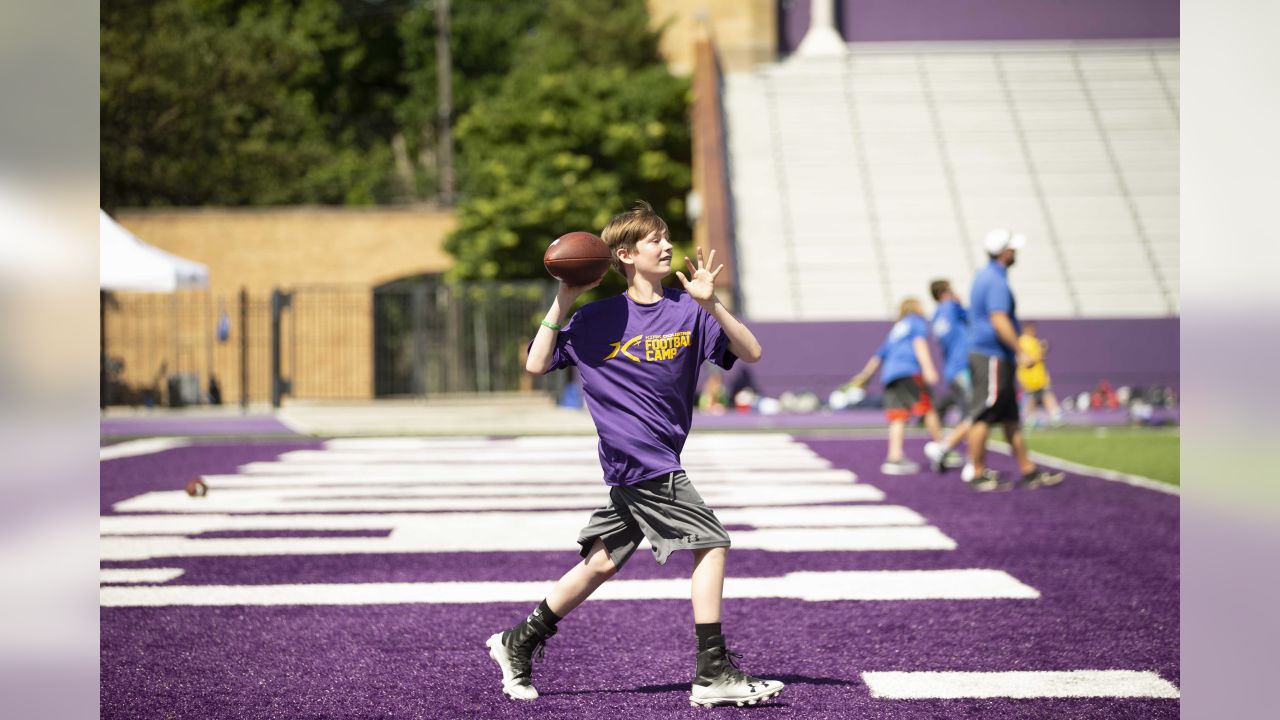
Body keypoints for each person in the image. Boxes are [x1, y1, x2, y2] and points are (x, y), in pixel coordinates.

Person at [486, 201, 783, 708]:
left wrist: (712, 304)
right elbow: (536, 364)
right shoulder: (594, 317)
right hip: (642, 460)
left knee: (601, 564)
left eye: (666, 237)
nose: (667, 245)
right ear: (623, 254)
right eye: (653, 240)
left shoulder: (688, 309)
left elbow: (751, 353)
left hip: (652, 458)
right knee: (711, 542)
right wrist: (563, 298)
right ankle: (713, 672)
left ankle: (519, 641)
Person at [964, 229, 1065, 491]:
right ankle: (977, 473)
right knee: (983, 414)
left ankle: (1028, 470)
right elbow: (999, 319)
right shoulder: (995, 280)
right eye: (1013, 249)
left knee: (1010, 418)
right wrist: (1020, 350)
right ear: (1005, 252)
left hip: (994, 355)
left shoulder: (985, 276)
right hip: (991, 355)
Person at [847, 298, 947, 475]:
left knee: (897, 415)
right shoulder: (916, 322)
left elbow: (879, 354)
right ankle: (943, 448)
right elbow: (919, 345)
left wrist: (865, 375)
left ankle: (894, 457)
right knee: (928, 408)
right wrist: (929, 368)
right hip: (908, 371)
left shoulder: (896, 329)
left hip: (891, 375)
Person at [923, 279, 973, 473]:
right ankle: (945, 448)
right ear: (945, 293)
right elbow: (973, 317)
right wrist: (958, 302)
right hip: (964, 367)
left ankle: (969, 458)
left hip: (952, 369)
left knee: (969, 414)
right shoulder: (951, 306)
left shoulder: (936, 316)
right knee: (976, 415)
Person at [1017, 321, 1064, 427]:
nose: (1034, 331)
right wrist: (1041, 352)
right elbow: (1026, 361)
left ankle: (1055, 416)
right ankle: (1033, 419)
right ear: (1026, 329)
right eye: (1032, 329)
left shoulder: (1033, 341)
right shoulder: (1023, 342)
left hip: (1038, 378)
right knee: (1032, 399)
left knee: (1045, 396)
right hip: (1030, 378)